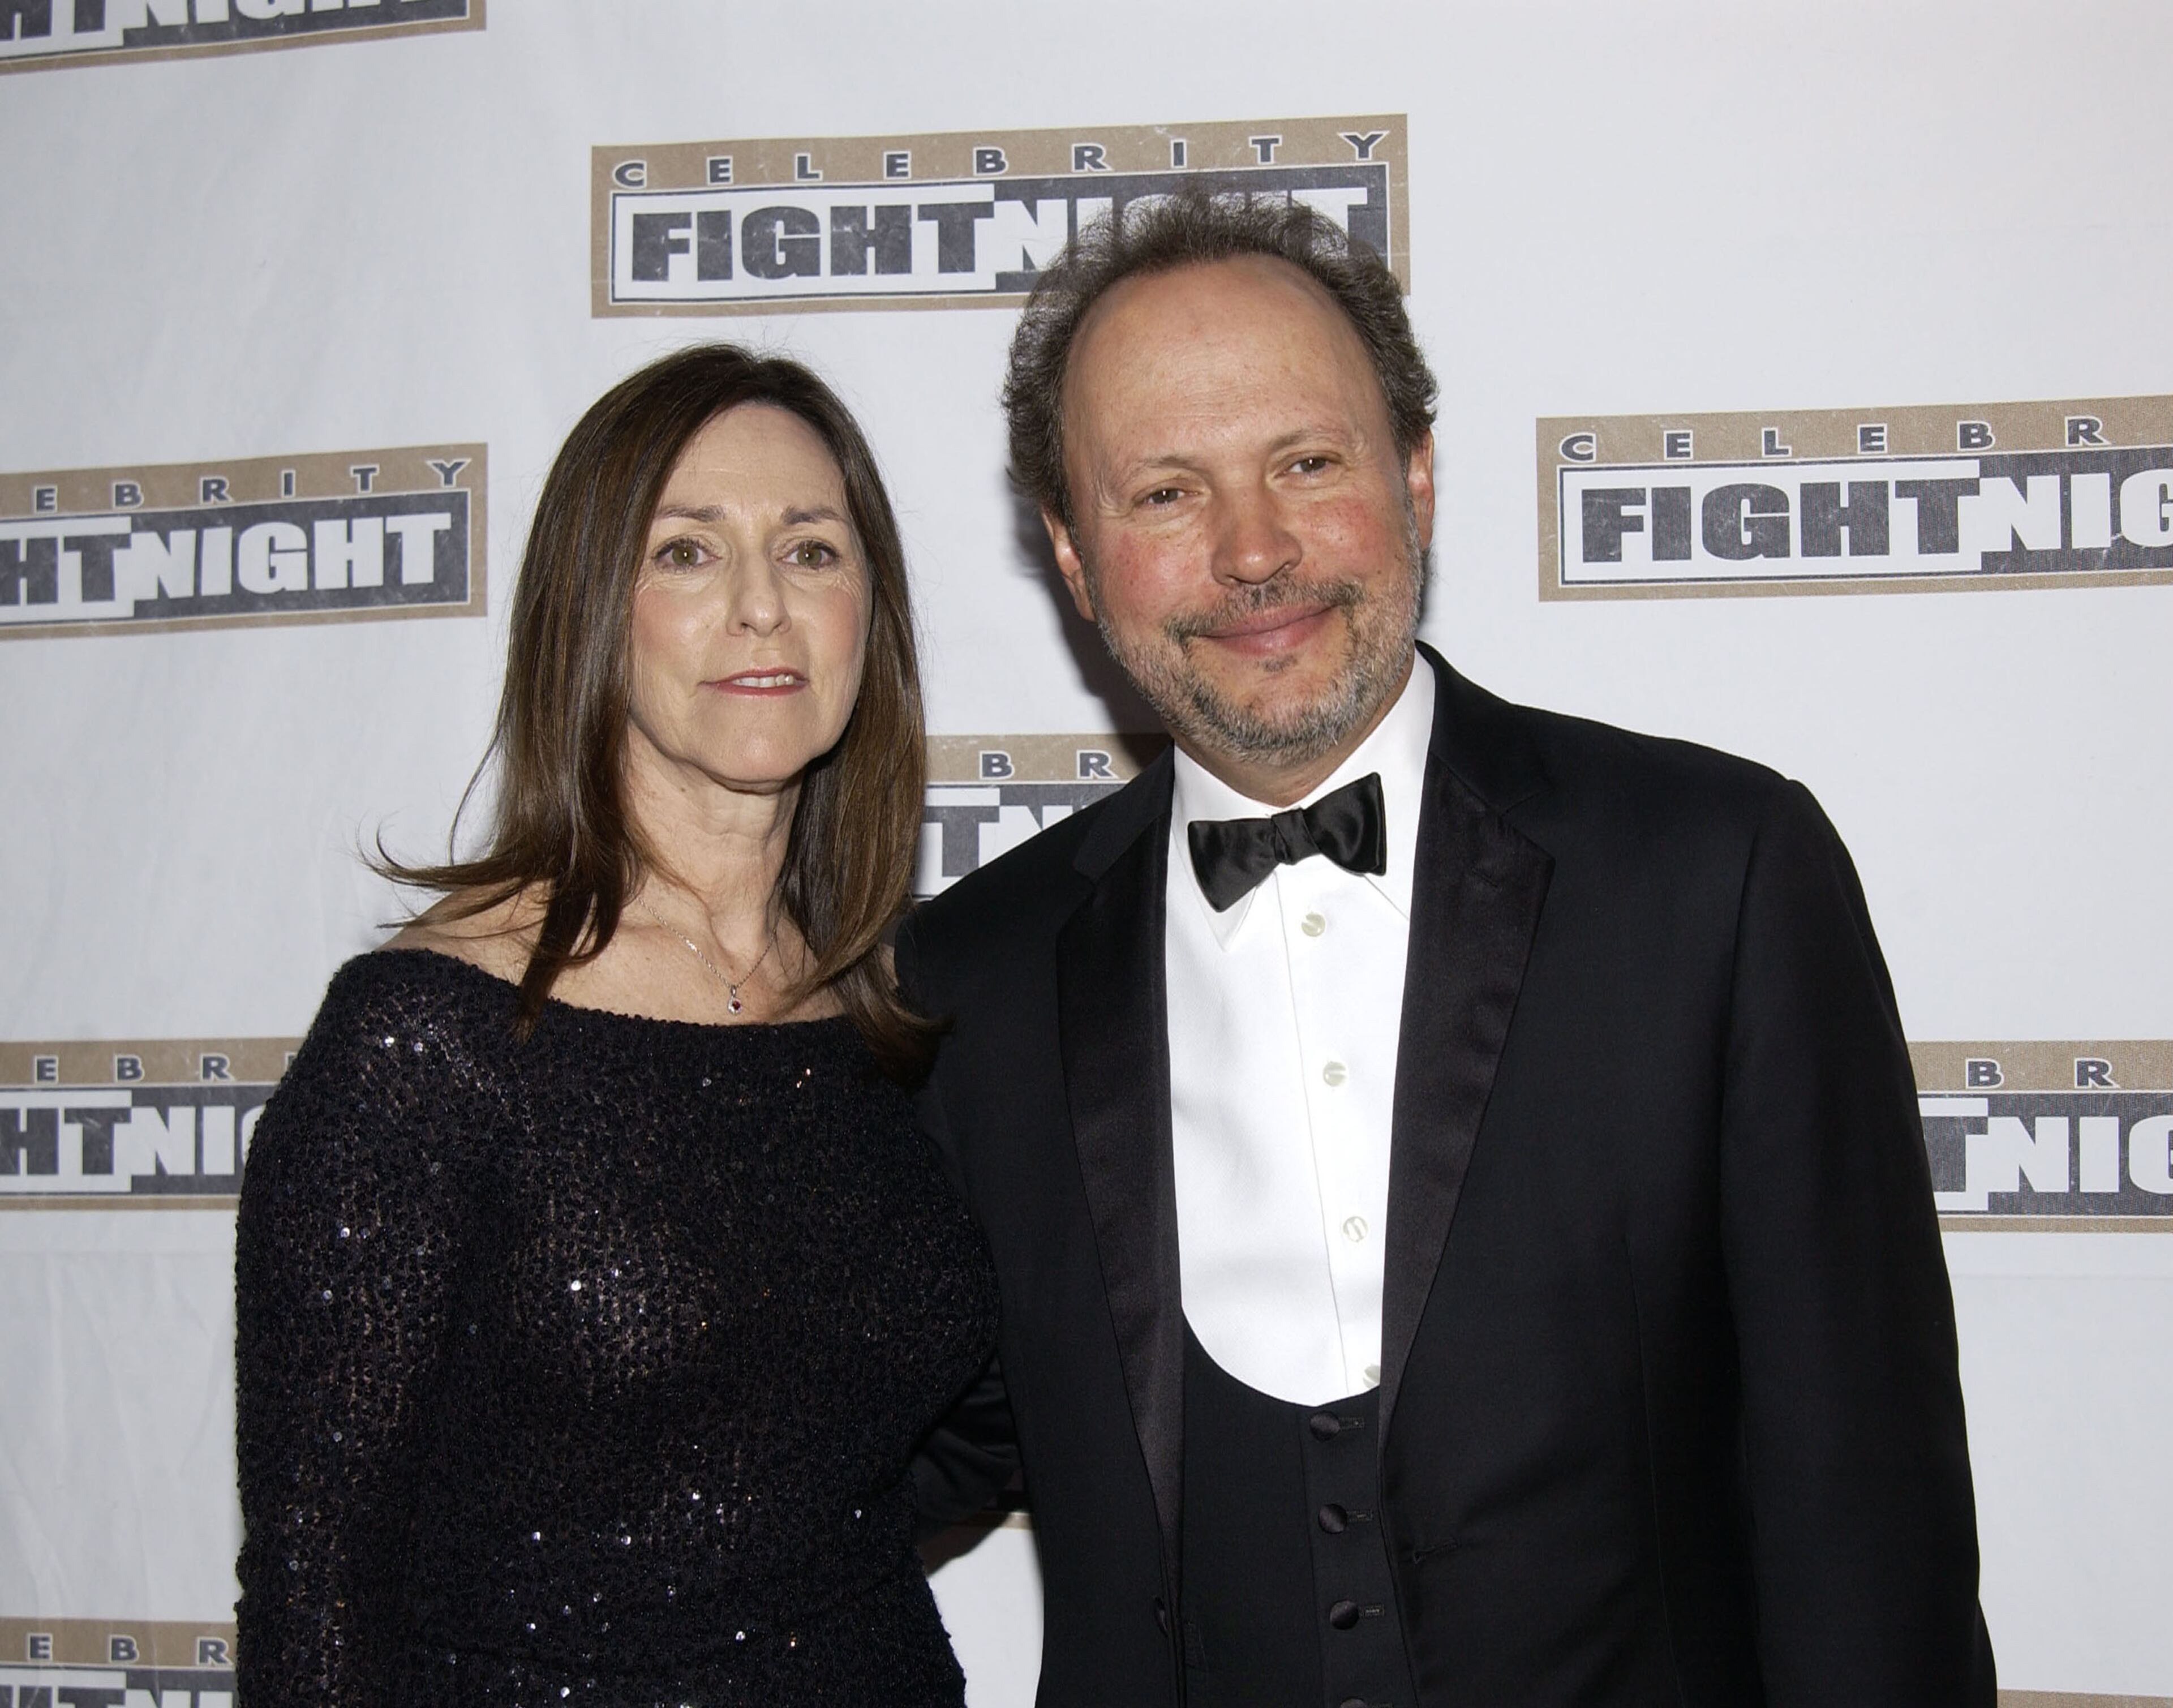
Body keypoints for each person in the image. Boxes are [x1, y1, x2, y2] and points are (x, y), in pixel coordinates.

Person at [901, 195, 1997, 1707]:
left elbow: (1863, 1514)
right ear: (1075, 559)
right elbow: (878, 1442)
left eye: (1308, 461)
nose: (1256, 550)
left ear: (1416, 474)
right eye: (1164, 492)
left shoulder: (1716, 876)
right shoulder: (969, 981)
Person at [234, 344, 998, 1707]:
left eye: (812, 551)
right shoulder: (430, 1041)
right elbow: (315, 1602)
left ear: (867, 613)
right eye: (689, 554)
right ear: (594, 610)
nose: (763, 607)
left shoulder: (885, 1014)